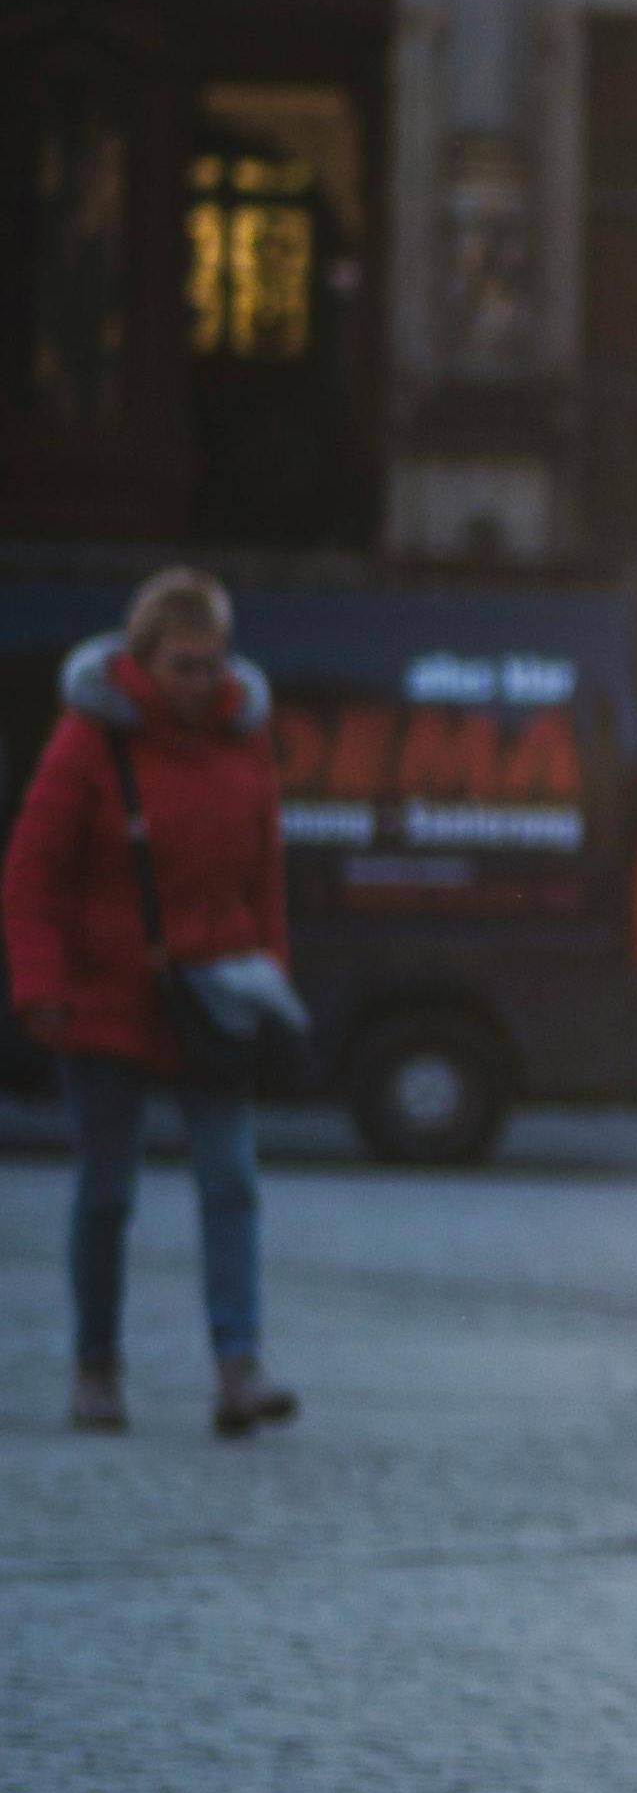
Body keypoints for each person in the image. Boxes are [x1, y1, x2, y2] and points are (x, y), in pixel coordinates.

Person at [6, 568, 301, 1439]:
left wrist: (270, 977)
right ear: (143, 662)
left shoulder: (243, 740)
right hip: (105, 1002)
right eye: (183, 665)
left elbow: (265, 879)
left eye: (212, 662)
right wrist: (41, 989)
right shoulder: (89, 742)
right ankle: (97, 1367)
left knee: (232, 1181)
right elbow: (31, 876)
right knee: (106, 1193)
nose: (201, 681)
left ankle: (238, 1368)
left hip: (213, 998)